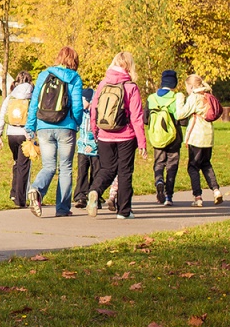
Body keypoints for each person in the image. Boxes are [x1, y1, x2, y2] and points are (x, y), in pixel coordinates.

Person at [86, 52, 147, 219]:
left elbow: (94, 110)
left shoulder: (103, 84)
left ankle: (94, 190)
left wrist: (95, 131)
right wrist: (141, 143)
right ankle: (124, 211)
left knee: (107, 169)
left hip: (105, 134)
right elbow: (136, 117)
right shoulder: (131, 87)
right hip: (126, 136)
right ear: (129, 66)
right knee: (125, 172)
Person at [25, 46, 84, 218]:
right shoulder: (74, 77)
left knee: (49, 166)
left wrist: (30, 126)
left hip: (44, 125)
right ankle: (63, 209)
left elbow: (34, 102)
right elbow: (77, 106)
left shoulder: (44, 75)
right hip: (66, 127)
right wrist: (77, 122)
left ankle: (36, 189)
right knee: (65, 168)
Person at [175, 74, 223, 207]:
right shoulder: (207, 95)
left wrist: (180, 99)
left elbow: (180, 114)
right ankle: (216, 190)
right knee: (206, 164)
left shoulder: (195, 97)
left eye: (187, 87)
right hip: (208, 136)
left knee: (193, 167)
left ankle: (198, 197)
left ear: (190, 86)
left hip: (196, 136)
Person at [0, 71, 35, 207]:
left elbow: (1, 116)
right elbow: (35, 115)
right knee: (24, 166)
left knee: (17, 162)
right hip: (25, 133)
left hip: (11, 133)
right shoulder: (32, 96)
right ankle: (20, 199)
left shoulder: (10, 97)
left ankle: (13, 192)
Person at [146, 70, 186, 206]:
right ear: (174, 83)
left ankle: (159, 180)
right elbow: (183, 120)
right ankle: (168, 196)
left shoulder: (151, 98)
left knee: (159, 163)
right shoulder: (176, 98)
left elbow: (146, 119)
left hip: (157, 137)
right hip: (174, 138)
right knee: (172, 165)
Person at [73, 88, 99, 209]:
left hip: (95, 149)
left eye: (82, 100)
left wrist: (93, 145)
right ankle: (80, 196)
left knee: (96, 172)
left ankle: (95, 196)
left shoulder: (96, 113)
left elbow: (99, 131)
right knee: (82, 173)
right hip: (82, 148)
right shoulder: (81, 114)